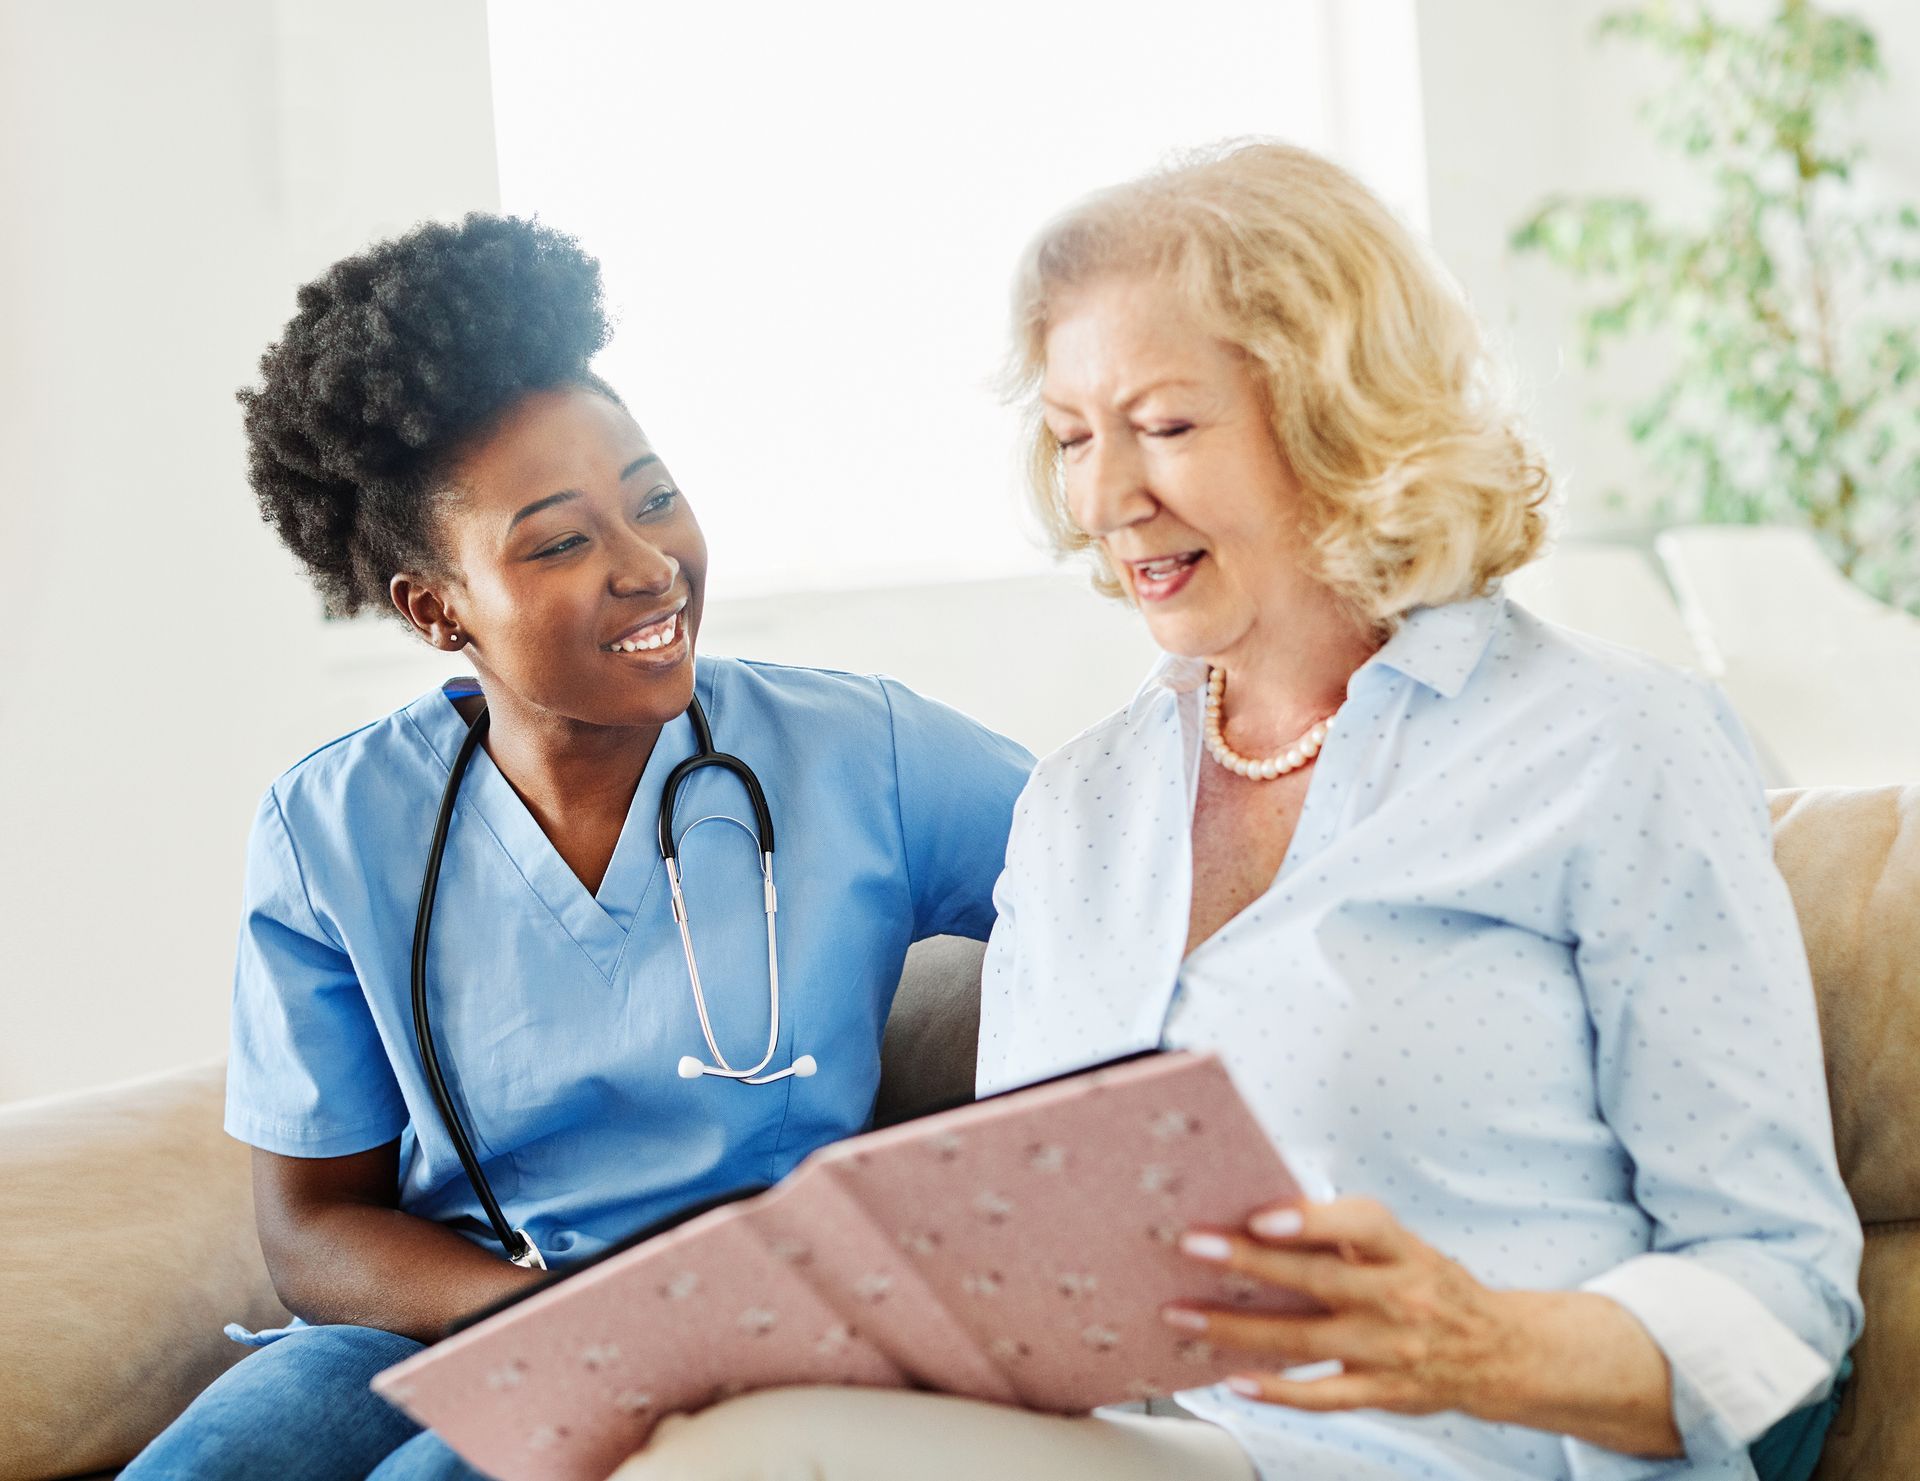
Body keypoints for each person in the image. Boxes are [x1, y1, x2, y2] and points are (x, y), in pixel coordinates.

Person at [612, 143, 1861, 1481]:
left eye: (1164, 424)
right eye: (1074, 434)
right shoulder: (1082, 804)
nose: (1103, 498)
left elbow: (1782, 1289)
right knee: (707, 1435)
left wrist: (1483, 1342)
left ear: (1346, 414)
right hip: (1149, 1455)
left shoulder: (1613, 746)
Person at [121, 214, 1032, 1481]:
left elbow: (1128, 882)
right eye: (559, 540)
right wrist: (524, 1316)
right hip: (472, 1312)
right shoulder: (332, 827)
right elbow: (314, 1225)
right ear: (437, 607)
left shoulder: (861, 749)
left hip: (752, 1330)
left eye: (652, 497)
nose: (649, 563)